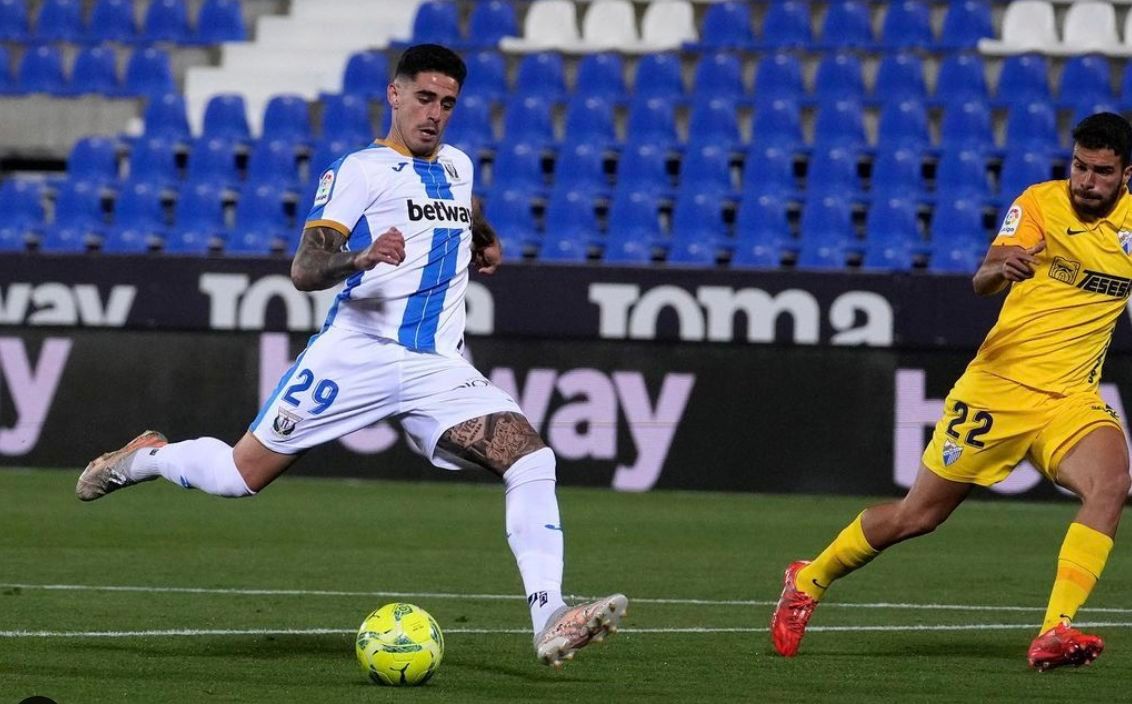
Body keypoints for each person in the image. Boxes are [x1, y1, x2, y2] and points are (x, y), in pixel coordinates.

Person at [76, 43, 627, 668]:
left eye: (447, 103)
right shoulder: (358, 170)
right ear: (394, 95)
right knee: (238, 476)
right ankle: (147, 458)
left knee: (530, 459)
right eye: (424, 98)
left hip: (436, 367)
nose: (435, 114)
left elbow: (463, 211)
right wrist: (359, 258)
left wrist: (485, 241)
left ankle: (549, 615)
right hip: (356, 354)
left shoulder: (457, 166)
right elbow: (305, 268)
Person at [770, 112, 1132, 671]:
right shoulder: (1039, 203)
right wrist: (1001, 268)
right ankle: (808, 578)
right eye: (1079, 166)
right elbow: (982, 278)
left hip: (1071, 398)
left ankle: (1055, 630)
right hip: (996, 391)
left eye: (1101, 172)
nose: (1085, 181)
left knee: (1111, 484)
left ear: (1126, 174)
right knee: (918, 516)